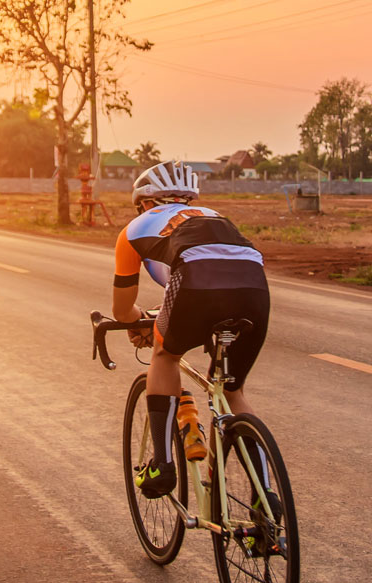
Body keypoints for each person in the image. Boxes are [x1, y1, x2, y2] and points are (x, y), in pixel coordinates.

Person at [110, 161, 270, 498]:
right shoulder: (213, 216)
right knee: (233, 391)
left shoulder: (134, 230)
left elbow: (123, 310)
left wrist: (138, 323)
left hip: (195, 285)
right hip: (254, 287)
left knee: (165, 355)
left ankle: (163, 465)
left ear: (145, 203)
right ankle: (266, 498)